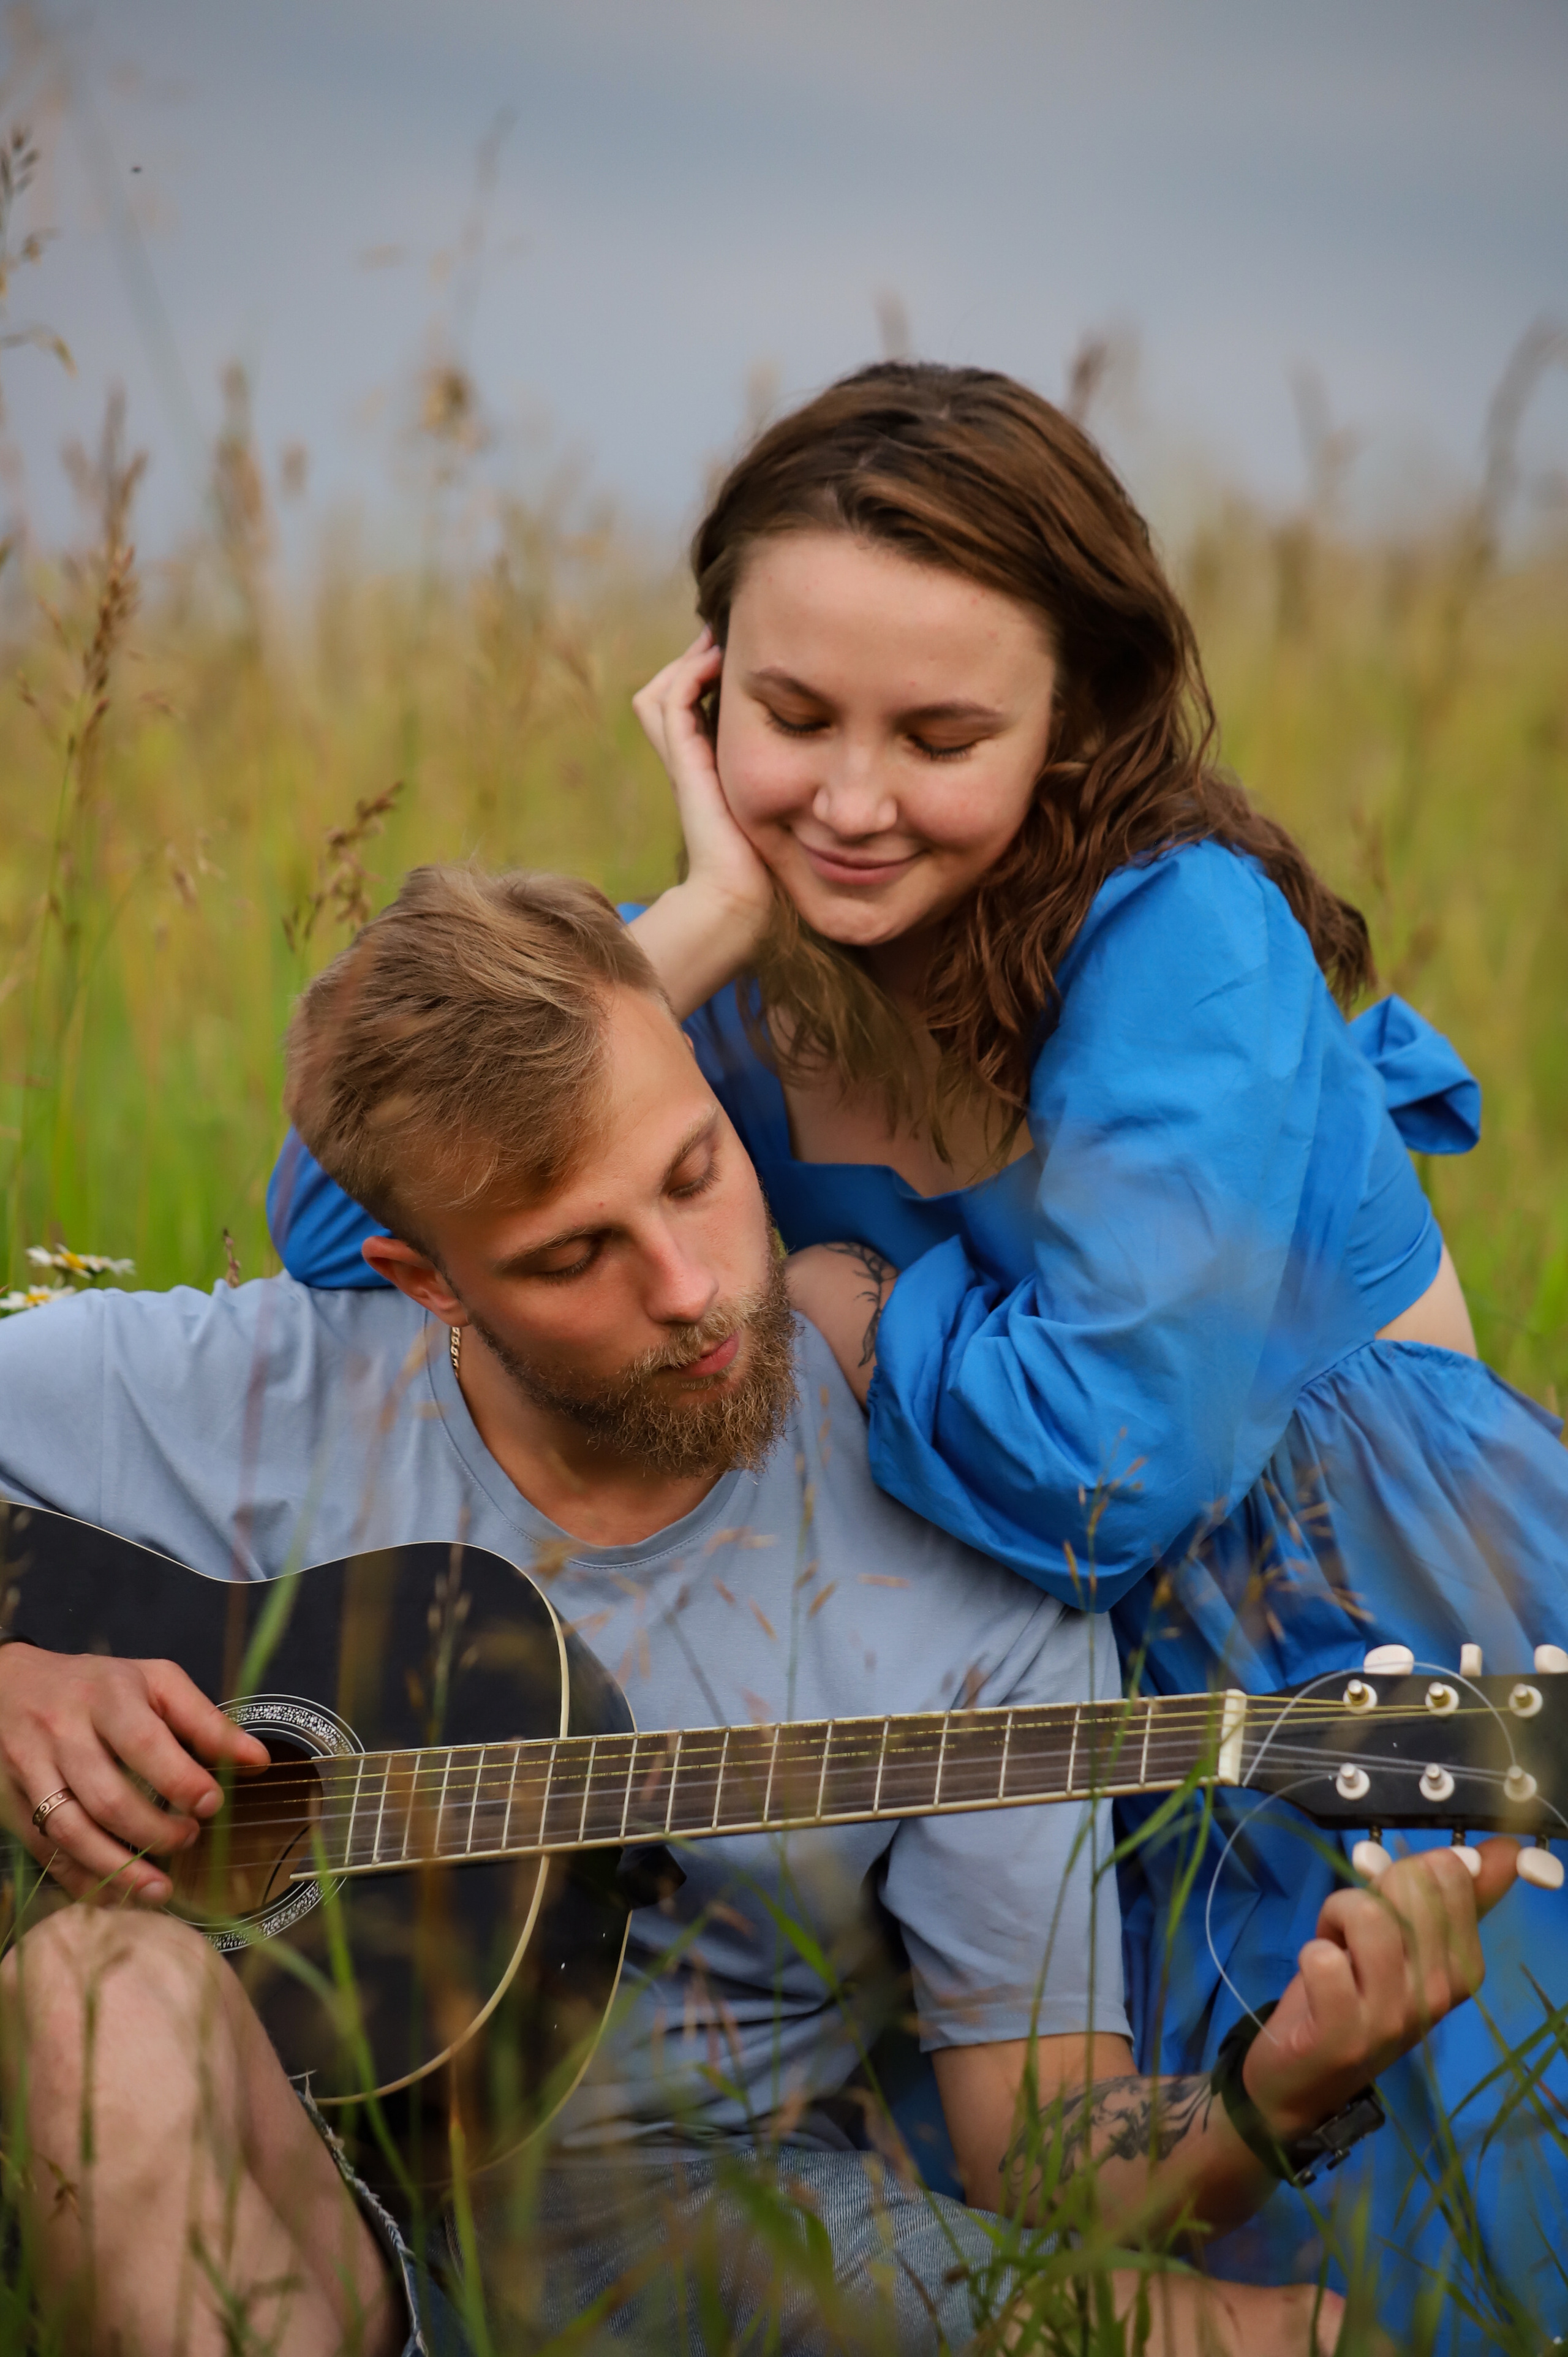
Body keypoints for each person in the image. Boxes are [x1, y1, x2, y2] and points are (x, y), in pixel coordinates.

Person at [268, 365, 1568, 2342]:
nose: (851, 800)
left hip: (1342, 1630)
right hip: (967, 1699)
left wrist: (848, 1297)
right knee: (1009, 2234)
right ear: (703, 693)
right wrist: (683, 929)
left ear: (1076, 726)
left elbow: (1104, 1464)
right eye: (792, 717)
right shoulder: (732, 953)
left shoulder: (1183, 940)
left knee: (1383, 2210)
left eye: (940, 733)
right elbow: (350, 1211)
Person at [0, 866, 1521, 2357]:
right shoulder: (266, 1388)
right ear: (427, 1281)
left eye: (693, 1174)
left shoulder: (961, 1550)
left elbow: (1048, 2162)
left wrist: (1273, 2088)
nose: (688, 1287)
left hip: (688, 2215)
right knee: (92, 1981)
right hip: (273, 2187)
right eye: (573, 1254)